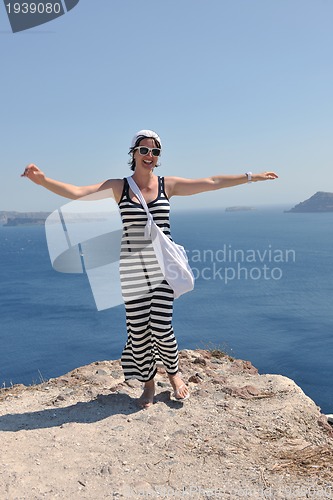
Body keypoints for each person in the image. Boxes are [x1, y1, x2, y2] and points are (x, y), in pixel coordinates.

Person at [22, 129, 278, 408]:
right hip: (132, 267)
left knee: (160, 324)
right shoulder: (119, 187)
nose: (149, 156)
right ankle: (148, 385)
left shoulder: (168, 185)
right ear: (133, 153)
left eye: (155, 152)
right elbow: (78, 192)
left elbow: (212, 182)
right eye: (144, 150)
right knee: (138, 330)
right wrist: (42, 180)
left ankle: (175, 375)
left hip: (163, 267)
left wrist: (252, 176)